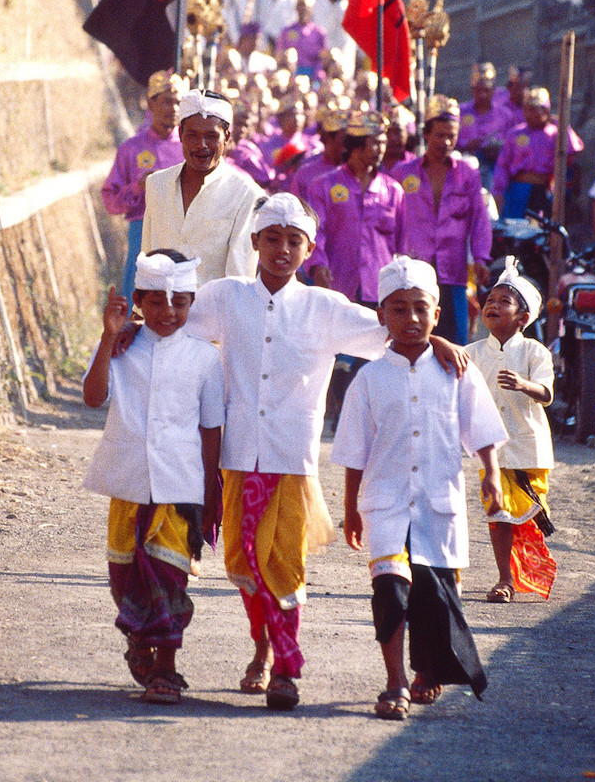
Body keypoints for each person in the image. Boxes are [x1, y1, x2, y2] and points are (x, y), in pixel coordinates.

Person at [180, 193, 468, 711]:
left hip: (292, 459)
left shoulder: (322, 307)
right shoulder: (226, 297)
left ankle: (286, 669)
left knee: (284, 564)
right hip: (237, 455)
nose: (282, 250)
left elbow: (394, 328)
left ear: (310, 248)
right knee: (243, 563)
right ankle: (262, 646)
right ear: (254, 243)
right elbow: (173, 322)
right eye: (272, 239)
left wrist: (439, 343)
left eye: (294, 241)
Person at [332, 256, 507, 720]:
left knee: (435, 595)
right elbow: (353, 451)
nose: (410, 319)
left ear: (436, 313)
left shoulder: (456, 371)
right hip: (385, 506)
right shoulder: (368, 379)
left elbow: (482, 430)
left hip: (438, 501)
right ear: (381, 316)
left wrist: (490, 472)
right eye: (398, 309)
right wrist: (350, 508)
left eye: (420, 308)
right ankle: (395, 682)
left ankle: (428, 671)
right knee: (389, 591)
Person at [83, 251, 224, 704]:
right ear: (138, 300)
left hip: (180, 487)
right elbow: (93, 397)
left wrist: (212, 489)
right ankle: (139, 642)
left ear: (192, 303)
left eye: (180, 303)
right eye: (158, 302)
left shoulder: (205, 357)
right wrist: (108, 337)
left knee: (169, 575)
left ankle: (167, 667)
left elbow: (210, 429)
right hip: (128, 482)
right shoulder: (122, 347)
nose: (169, 313)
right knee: (125, 577)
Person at [466, 257, 556, 604]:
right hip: (489, 450)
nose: (492, 305)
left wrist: (523, 384)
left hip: (528, 448)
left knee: (527, 516)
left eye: (503, 301)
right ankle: (505, 578)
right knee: (497, 512)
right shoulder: (471, 353)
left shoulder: (535, 352)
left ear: (522, 318)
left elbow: (546, 393)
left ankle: (527, 572)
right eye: (490, 300)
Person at [392, 95, 492, 345]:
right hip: (413, 267)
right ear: (426, 134)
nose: (446, 142)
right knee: (413, 339)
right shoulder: (402, 174)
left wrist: (481, 257)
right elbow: (391, 221)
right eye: (440, 135)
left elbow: (479, 218)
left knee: (456, 340)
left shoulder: (467, 174)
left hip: (453, 269)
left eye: (452, 135)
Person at [142, 89, 263, 285]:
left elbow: (239, 279)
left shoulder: (246, 195)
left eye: (211, 136)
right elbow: (147, 257)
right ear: (180, 134)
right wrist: (140, 312)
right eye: (192, 135)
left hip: (214, 314)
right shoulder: (157, 184)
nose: (202, 145)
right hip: (160, 313)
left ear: (227, 137)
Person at [101, 70, 186, 299]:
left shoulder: (189, 149)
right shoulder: (132, 149)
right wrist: (138, 187)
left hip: (182, 234)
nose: (174, 109)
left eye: (179, 102)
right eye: (167, 101)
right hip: (142, 235)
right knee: (139, 302)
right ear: (150, 103)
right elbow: (111, 202)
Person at [307, 110, 406, 303]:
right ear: (357, 146)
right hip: (337, 285)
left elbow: (403, 242)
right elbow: (315, 231)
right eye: (375, 143)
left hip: (380, 289)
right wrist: (318, 266)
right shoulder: (323, 186)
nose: (381, 150)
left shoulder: (393, 190)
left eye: (383, 143)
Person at [492, 87, 584, 219]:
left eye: (534, 110)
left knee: (539, 230)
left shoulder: (554, 133)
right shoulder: (515, 133)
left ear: (545, 111)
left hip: (542, 190)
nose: (528, 114)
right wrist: (498, 191)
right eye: (527, 110)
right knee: (514, 229)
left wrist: (560, 123)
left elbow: (573, 149)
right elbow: (502, 164)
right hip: (518, 189)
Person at [457, 62, 511, 189]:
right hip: (467, 163)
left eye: (486, 90)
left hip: (497, 166)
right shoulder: (461, 112)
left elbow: (511, 144)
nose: (482, 95)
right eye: (478, 90)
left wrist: (499, 147)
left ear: (493, 91)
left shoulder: (504, 115)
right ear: (472, 89)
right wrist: (466, 145)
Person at [276, 0, 329, 86]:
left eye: (306, 7)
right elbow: (279, 53)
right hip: (292, 73)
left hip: (313, 74)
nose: (303, 10)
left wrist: (316, 74)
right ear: (296, 8)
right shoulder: (287, 30)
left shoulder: (319, 32)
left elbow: (324, 58)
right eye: (301, 6)